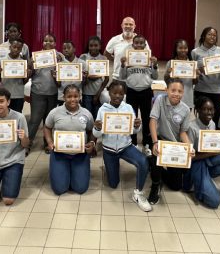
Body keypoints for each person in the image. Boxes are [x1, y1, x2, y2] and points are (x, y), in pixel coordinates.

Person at [92, 81, 151, 212]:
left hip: (126, 147)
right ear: (109, 93)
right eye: (114, 93)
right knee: (113, 184)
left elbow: (133, 131)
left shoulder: (128, 108)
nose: (117, 96)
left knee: (143, 161)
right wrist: (97, 128)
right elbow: (96, 134)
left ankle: (138, 193)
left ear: (124, 94)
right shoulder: (102, 109)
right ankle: (110, 167)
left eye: (121, 93)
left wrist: (137, 126)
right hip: (109, 150)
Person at [184, 97, 220, 209]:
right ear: (197, 110)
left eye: (211, 109)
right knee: (214, 201)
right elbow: (189, 158)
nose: (209, 112)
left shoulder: (212, 124)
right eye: (205, 109)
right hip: (196, 162)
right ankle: (198, 180)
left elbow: (213, 146)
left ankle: (205, 177)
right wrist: (212, 153)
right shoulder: (191, 127)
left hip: (208, 158)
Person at [148, 79, 195, 204]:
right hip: (159, 139)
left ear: (183, 92)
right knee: (156, 156)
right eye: (173, 90)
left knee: (176, 186)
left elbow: (183, 133)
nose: (176, 94)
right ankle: (155, 185)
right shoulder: (160, 100)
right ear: (166, 90)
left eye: (180, 91)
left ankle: (156, 168)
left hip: (174, 145)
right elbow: (153, 121)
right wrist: (155, 142)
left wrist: (190, 147)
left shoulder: (185, 110)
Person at [44, 85, 95, 195]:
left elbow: (91, 131)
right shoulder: (55, 112)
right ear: (64, 97)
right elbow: (47, 127)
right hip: (60, 154)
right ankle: (64, 172)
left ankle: (72, 173)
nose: (73, 99)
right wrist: (50, 142)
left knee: (80, 188)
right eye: (69, 96)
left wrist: (92, 143)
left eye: (76, 96)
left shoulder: (86, 113)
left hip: (80, 154)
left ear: (80, 97)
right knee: (59, 189)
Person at [120, 35, 158, 153]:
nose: (139, 45)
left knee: (146, 117)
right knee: (132, 117)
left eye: (142, 43)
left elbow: (155, 76)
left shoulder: (149, 59)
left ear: (145, 45)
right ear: (133, 45)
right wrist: (122, 65)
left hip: (146, 91)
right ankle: (133, 142)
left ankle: (147, 142)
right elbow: (122, 76)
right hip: (131, 91)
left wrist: (155, 65)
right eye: (136, 43)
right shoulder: (128, 58)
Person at [27, 33, 65, 153]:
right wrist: (30, 66)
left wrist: (59, 63)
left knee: (48, 120)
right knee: (35, 120)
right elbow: (29, 74)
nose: (48, 43)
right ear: (42, 43)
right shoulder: (36, 56)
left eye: (51, 41)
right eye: (45, 41)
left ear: (55, 43)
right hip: (37, 92)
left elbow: (64, 73)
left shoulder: (60, 56)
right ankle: (27, 143)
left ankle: (47, 143)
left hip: (53, 93)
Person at [191, 27, 220, 126]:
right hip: (201, 89)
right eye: (209, 34)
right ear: (204, 36)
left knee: (216, 117)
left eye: (214, 35)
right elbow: (192, 72)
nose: (212, 37)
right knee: (202, 118)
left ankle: (215, 135)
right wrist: (199, 71)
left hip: (217, 90)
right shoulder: (195, 52)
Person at [104, 16, 149, 81]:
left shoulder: (141, 40)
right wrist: (116, 59)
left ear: (134, 26)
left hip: (136, 78)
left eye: (131, 24)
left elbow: (147, 56)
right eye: (126, 24)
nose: (128, 26)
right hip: (118, 77)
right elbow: (106, 53)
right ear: (122, 26)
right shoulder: (114, 40)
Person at [0, 38, 27, 114]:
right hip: (4, 94)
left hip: (18, 95)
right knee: (2, 114)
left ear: (21, 49)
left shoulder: (23, 62)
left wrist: (28, 75)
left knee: (17, 115)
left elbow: (24, 81)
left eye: (19, 48)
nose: (16, 49)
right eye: (14, 47)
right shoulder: (1, 60)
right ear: (10, 47)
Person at [80, 36, 110, 120]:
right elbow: (80, 77)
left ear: (100, 46)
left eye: (96, 45)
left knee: (97, 117)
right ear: (88, 46)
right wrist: (86, 77)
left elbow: (107, 78)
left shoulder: (103, 58)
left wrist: (98, 94)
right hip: (86, 93)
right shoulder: (83, 57)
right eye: (91, 45)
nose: (93, 47)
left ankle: (96, 129)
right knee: (87, 117)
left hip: (98, 92)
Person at [164, 39, 196, 110]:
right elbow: (166, 81)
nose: (183, 50)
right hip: (173, 97)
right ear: (176, 49)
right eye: (180, 48)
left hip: (187, 97)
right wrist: (168, 74)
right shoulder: (170, 63)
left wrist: (196, 76)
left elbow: (194, 82)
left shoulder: (192, 64)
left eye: (185, 48)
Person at [54, 40, 87, 106]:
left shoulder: (82, 63)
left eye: (69, 48)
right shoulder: (59, 64)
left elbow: (85, 84)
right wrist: (55, 78)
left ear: (74, 49)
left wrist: (85, 78)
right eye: (64, 48)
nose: (66, 50)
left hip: (77, 97)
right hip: (62, 97)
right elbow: (58, 85)